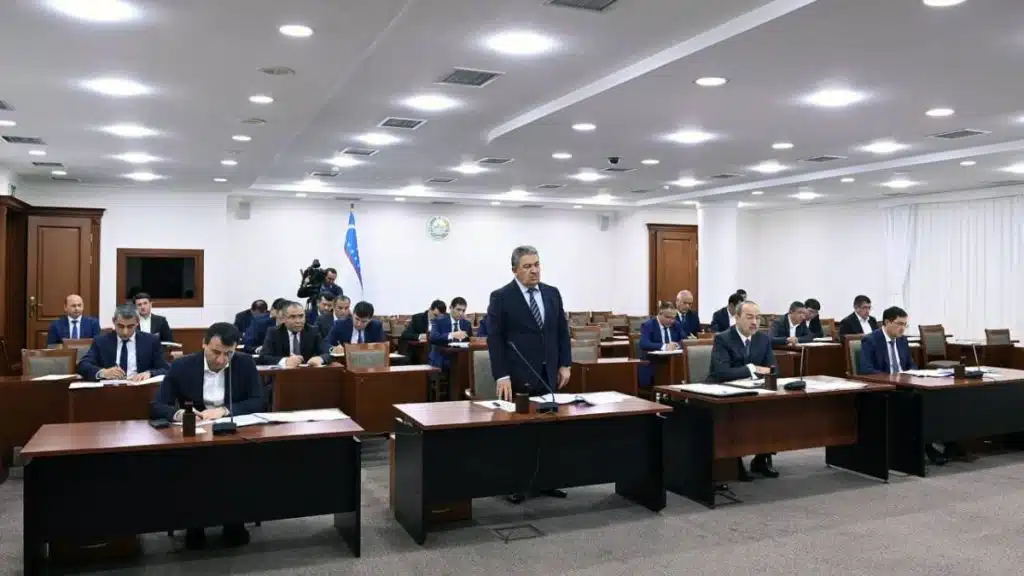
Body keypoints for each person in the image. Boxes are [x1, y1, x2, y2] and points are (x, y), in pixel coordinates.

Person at [150, 322, 263, 549]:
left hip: (231, 433)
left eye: (228, 354)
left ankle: (234, 522)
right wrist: (182, 414)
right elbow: (158, 405)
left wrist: (225, 410)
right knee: (194, 468)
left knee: (238, 465)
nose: (221, 360)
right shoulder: (182, 366)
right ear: (204, 344)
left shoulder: (245, 363)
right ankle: (195, 525)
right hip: (195, 436)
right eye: (216, 352)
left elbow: (258, 400)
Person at [487, 245, 571, 504]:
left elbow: (561, 331)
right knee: (519, 432)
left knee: (549, 430)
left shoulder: (552, 293)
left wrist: (565, 364)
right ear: (515, 270)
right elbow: (495, 339)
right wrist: (501, 375)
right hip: (518, 373)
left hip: (549, 372)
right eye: (527, 266)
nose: (534, 270)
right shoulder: (501, 297)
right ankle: (516, 484)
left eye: (536, 265)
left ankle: (547, 480)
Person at [858, 306, 954, 465]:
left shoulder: (902, 340)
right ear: (887, 322)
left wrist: (915, 374)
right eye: (899, 324)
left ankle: (948, 442)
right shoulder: (871, 340)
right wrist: (894, 379)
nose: (902, 328)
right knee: (917, 403)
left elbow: (911, 364)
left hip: (905, 385)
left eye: (905, 324)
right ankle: (927, 447)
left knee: (938, 398)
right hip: (885, 389)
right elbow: (866, 370)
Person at [708, 300, 779, 479]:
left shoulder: (762, 339)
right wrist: (752, 368)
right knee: (736, 416)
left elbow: (773, 369)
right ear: (737, 317)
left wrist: (762, 371)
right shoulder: (723, 338)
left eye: (757, 318)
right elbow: (722, 372)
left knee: (773, 411)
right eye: (749, 317)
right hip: (723, 392)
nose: (755, 322)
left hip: (753, 391)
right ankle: (734, 460)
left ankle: (761, 459)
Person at [77, 304, 169, 381]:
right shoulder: (101, 341)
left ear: (137, 322)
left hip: (140, 389)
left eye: (130, 326)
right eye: (120, 326)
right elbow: (83, 365)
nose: (125, 332)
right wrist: (103, 372)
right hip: (109, 391)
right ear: (114, 321)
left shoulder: (151, 341)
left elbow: (165, 368)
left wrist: (150, 373)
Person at [257, 302, 329, 367]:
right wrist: (285, 361)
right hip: (283, 374)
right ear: (284, 319)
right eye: (292, 317)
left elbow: (327, 353)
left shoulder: (313, 331)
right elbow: (263, 357)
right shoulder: (274, 332)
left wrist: (320, 358)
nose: (298, 321)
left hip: (308, 373)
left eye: (301, 316)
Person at [638, 301, 685, 387]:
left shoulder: (676, 325)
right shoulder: (648, 325)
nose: (671, 321)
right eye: (668, 317)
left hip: (673, 363)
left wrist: (676, 345)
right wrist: (664, 346)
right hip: (653, 363)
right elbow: (643, 343)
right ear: (659, 314)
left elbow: (684, 341)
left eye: (673, 318)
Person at [429, 297, 472, 367]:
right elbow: (433, 338)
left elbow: (470, 341)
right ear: (451, 308)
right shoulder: (438, 321)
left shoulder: (466, 324)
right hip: (442, 358)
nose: (461, 313)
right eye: (458, 309)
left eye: (463, 310)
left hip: (460, 359)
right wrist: (451, 335)